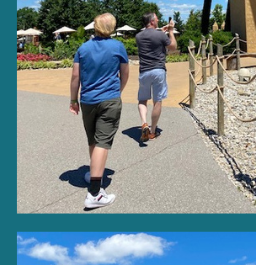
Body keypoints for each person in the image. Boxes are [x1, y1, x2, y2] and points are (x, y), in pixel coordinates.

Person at [70, 13, 129, 209]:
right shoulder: (118, 46)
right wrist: (117, 91)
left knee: (93, 140)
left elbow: (75, 77)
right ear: (111, 28)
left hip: (87, 100)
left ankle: (94, 173)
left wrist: (73, 100)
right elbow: (125, 73)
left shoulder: (83, 48)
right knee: (103, 142)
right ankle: (95, 193)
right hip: (109, 99)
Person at [136, 12, 177, 142]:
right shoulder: (160, 35)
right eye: (157, 19)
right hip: (158, 70)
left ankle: (144, 123)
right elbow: (173, 47)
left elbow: (151, 38)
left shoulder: (138, 36)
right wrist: (170, 31)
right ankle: (152, 132)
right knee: (157, 101)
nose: (158, 20)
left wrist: (161, 31)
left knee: (142, 100)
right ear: (152, 21)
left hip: (144, 71)